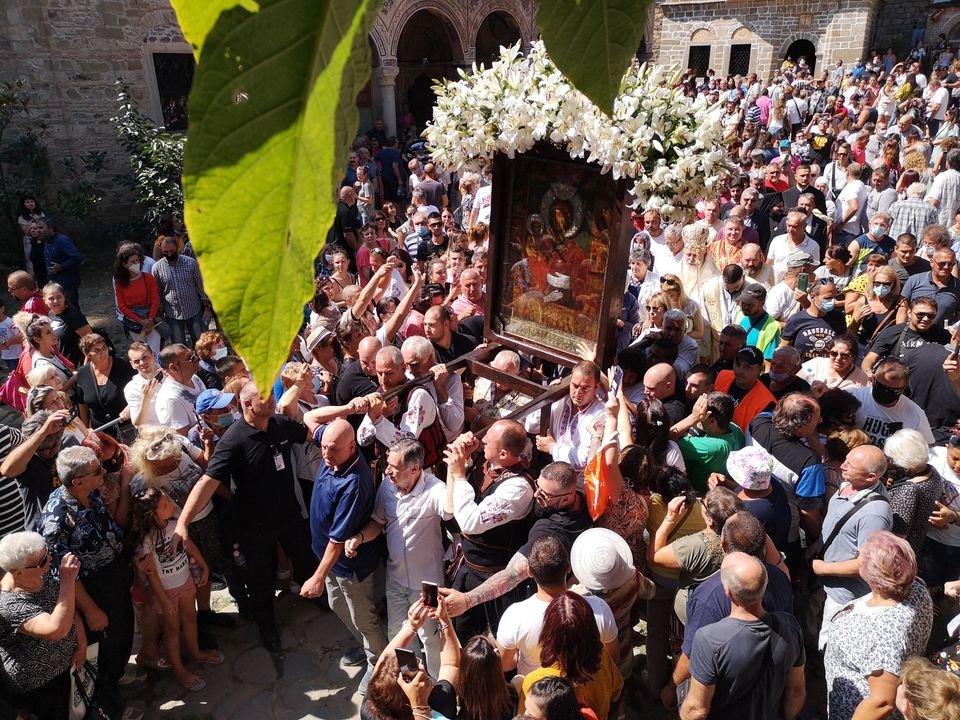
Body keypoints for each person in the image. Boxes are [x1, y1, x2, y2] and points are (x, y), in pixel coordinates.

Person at [173, 382, 321, 653]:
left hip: (288, 514)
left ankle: (320, 599)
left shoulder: (279, 424)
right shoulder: (233, 440)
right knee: (260, 580)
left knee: (305, 559)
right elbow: (208, 482)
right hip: (255, 526)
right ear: (248, 405)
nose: (270, 400)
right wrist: (183, 522)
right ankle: (267, 628)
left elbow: (310, 435)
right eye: (264, 397)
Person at [39, 446, 135, 718]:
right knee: (105, 648)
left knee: (122, 634)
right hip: (93, 588)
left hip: (114, 576)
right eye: (97, 471)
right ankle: (108, 706)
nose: (104, 472)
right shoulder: (57, 520)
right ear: (78, 480)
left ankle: (116, 679)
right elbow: (64, 575)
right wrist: (91, 610)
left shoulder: (90, 493)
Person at [344, 438, 450, 676]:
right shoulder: (387, 487)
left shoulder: (435, 490)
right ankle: (412, 680)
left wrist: (456, 471)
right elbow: (377, 521)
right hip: (395, 581)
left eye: (393, 466)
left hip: (429, 585)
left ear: (414, 469)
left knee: (432, 638)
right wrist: (360, 538)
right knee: (399, 635)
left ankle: (436, 688)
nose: (387, 470)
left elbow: (451, 509)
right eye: (387, 464)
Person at [680, 552, 805, 720]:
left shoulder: (709, 639)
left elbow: (697, 710)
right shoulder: (790, 626)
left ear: (728, 592)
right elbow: (796, 691)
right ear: (765, 585)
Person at [823, 532, 933, 720]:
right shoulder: (916, 588)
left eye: (862, 557)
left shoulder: (880, 635)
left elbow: (882, 702)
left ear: (873, 576)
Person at [125, 488, 223, 691]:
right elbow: (151, 576)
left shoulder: (174, 524)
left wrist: (204, 566)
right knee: (171, 629)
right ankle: (179, 670)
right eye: (164, 505)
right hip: (166, 592)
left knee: (190, 618)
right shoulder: (146, 540)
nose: (170, 505)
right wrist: (165, 601)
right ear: (151, 514)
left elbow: (189, 545)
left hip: (185, 582)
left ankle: (195, 653)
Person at [495, 535, 618, 677]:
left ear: (529, 571)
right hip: (584, 690)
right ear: (568, 568)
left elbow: (505, 664)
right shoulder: (598, 609)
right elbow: (612, 659)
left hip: (535, 694)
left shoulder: (514, 616)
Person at [813, 444, 893, 649]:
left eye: (850, 465)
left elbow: (867, 564)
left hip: (843, 594)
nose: (843, 466)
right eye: (846, 460)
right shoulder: (847, 484)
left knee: (830, 642)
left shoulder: (874, 513)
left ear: (871, 477)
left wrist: (822, 568)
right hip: (824, 581)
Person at [0, 533, 86, 720]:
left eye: (47, 553)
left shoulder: (41, 574)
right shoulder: (7, 604)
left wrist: (82, 644)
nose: (49, 560)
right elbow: (55, 630)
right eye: (41, 562)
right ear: (18, 572)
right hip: (40, 684)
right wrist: (68, 580)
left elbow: (69, 607)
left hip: (67, 666)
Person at [519, 592, 623, 720]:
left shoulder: (536, 684)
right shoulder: (602, 658)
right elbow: (617, 693)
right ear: (591, 628)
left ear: (549, 633)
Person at [525, 361, 605, 482]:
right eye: (575, 386)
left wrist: (552, 447)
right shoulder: (561, 400)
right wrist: (547, 397)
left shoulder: (600, 414)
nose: (578, 393)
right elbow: (530, 425)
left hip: (579, 483)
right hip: (551, 473)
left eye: (585, 388)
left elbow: (585, 459)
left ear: (596, 388)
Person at [883, 429, 946, 553]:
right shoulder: (932, 472)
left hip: (896, 556)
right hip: (917, 547)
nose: (890, 462)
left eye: (892, 459)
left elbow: (896, 537)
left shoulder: (908, 491)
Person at [847, 359, 935, 446]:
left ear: (904, 388)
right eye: (882, 387)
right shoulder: (853, 397)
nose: (886, 392)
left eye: (893, 390)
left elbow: (928, 447)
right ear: (873, 379)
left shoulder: (916, 414)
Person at [670, 393, 745, 494]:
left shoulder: (712, 448)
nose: (698, 421)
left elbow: (666, 440)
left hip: (699, 495)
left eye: (700, 416)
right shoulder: (735, 429)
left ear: (712, 421)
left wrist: (692, 418)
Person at [152, 236, 212, 346]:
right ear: (161, 250)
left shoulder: (190, 263)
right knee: (179, 347)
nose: (169, 254)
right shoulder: (157, 268)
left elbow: (200, 287)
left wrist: (207, 307)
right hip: (172, 314)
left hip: (194, 310)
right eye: (166, 252)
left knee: (200, 344)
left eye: (172, 251)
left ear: (177, 247)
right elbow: (158, 292)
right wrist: (159, 313)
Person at [74, 334, 135, 439]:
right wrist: (85, 429)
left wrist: (130, 407)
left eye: (104, 348)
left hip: (127, 426)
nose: (103, 353)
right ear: (87, 354)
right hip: (100, 431)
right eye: (97, 350)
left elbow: (139, 389)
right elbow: (82, 403)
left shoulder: (122, 367)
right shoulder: (82, 373)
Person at [113, 242, 162, 353]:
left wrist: (149, 319)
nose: (136, 263)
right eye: (133, 262)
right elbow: (122, 306)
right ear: (125, 264)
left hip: (151, 319)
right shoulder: (119, 282)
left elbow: (155, 300)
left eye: (137, 261)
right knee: (142, 352)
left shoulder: (148, 277)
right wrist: (140, 321)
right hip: (134, 322)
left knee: (154, 351)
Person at [713, 347, 777, 431]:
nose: (740, 371)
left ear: (760, 369)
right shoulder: (722, 375)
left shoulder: (767, 403)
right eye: (737, 364)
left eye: (748, 367)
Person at [154, 343, 207, 435]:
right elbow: (183, 439)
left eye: (193, 355)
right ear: (173, 367)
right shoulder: (170, 398)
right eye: (189, 358)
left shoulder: (194, 378)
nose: (196, 359)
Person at [36, 217, 83, 310]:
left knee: (72, 308)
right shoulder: (47, 241)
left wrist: (61, 266)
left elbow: (77, 257)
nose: (38, 231)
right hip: (55, 283)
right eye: (37, 228)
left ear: (50, 228)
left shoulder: (62, 240)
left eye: (41, 228)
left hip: (68, 282)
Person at [42, 282, 91, 368]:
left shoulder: (73, 315)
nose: (56, 301)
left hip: (80, 364)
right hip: (65, 366)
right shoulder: (51, 314)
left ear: (64, 297)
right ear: (45, 300)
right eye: (51, 298)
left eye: (59, 297)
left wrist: (85, 367)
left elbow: (91, 341)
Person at [799, 334, 870, 390]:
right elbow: (796, 383)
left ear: (853, 357)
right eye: (834, 353)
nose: (838, 358)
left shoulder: (862, 379)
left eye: (844, 355)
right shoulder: (816, 363)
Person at [124, 341, 163, 429]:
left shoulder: (171, 371)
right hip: (161, 436)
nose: (141, 363)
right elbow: (139, 424)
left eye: (145, 357)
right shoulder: (131, 388)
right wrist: (146, 398)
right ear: (132, 365)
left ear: (154, 355)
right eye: (136, 361)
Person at [738, 283, 781, 359]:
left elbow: (768, 361)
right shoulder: (740, 315)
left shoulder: (772, 326)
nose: (745, 307)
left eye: (750, 304)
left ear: (762, 303)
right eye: (743, 302)